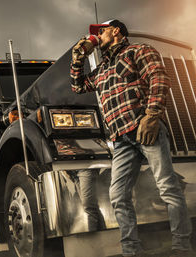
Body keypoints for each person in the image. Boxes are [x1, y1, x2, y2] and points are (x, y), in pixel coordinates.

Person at [70, 19, 193, 257]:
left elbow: (159, 78)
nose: (98, 37)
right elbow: (78, 86)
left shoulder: (138, 50)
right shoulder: (102, 69)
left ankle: (182, 247)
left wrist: (152, 115)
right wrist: (78, 58)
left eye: (101, 31)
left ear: (116, 31)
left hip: (144, 127)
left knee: (167, 187)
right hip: (120, 139)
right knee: (118, 196)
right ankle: (131, 250)